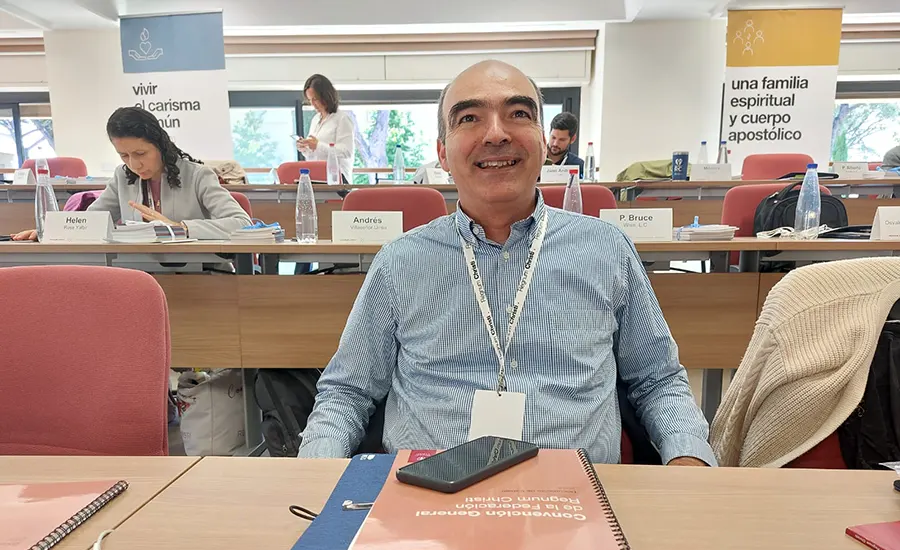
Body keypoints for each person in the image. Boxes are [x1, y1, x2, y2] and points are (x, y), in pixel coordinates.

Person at [297, 59, 715, 467]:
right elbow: (346, 393)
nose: (496, 133)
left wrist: (689, 459)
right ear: (442, 154)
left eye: (518, 114)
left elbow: (658, 379)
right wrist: (315, 473)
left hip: (575, 496)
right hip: (427, 494)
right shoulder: (399, 263)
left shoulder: (607, 250)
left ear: (543, 142)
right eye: (469, 118)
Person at [12, 107, 251, 241]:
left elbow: (242, 224)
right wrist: (51, 232)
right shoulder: (122, 176)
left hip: (198, 273)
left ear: (160, 145)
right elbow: (90, 222)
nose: (134, 164)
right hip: (138, 271)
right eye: (124, 155)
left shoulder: (198, 176)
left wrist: (179, 228)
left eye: (140, 153)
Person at [296, 74, 355, 183]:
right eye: (310, 100)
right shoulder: (315, 119)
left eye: (315, 99)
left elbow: (346, 151)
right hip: (317, 177)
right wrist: (305, 148)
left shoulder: (342, 119)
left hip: (338, 179)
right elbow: (315, 154)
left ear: (326, 96)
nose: (313, 104)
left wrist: (318, 146)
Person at [546, 112, 584, 177]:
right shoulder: (534, 159)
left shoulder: (578, 165)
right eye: (553, 137)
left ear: (572, 139)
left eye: (562, 140)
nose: (555, 143)